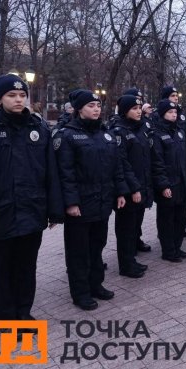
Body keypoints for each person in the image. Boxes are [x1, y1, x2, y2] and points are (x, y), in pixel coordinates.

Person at [0, 74, 63, 321]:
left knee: (26, 268)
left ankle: (23, 312)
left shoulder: (38, 128)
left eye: (22, 95)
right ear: (0, 98)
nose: (18, 100)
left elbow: (50, 173)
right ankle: (4, 317)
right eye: (11, 95)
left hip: (31, 213)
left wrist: (54, 209)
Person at [54, 90, 128, 310]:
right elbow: (65, 172)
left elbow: (116, 167)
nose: (96, 109)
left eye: (98, 105)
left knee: (97, 246)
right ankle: (80, 292)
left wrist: (120, 192)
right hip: (81, 204)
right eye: (91, 105)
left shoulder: (104, 134)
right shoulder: (66, 135)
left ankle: (96, 284)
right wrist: (71, 202)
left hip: (103, 201)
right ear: (79, 109)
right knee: (79, 251)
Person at [111, 95, 154, 276]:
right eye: (134, 108)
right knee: (126, 228)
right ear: (124, 110)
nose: (138, 111)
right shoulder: (119, 131)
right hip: (129, 189)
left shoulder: (140, 129)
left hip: (141, 185)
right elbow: (121, 163)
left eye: (139, 108)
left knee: (134, 226)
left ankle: (131, 259)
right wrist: (133, 188)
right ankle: (126, 265)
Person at [153, 100, 186, 259]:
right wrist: (163, 185)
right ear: (162, 114)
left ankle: (177, 246)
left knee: (181, 216)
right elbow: (157, 162)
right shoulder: (156, 134)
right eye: (170, 112)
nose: (174, 115)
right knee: (167, 219)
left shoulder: (180, 132)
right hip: (168, 183)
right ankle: (168, 250)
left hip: (182, 181)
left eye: (175, 112)